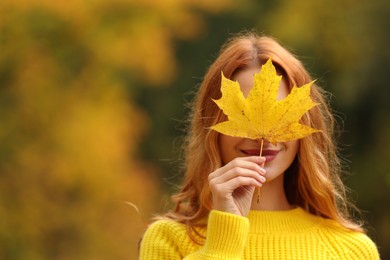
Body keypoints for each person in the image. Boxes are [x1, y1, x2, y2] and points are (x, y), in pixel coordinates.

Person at [139, 32, 380, 259]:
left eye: (281, 116)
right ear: (212, 127)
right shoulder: (169, 239)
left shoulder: (350, 249)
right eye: (243, 113)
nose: (262, 139)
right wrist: (223, 238)